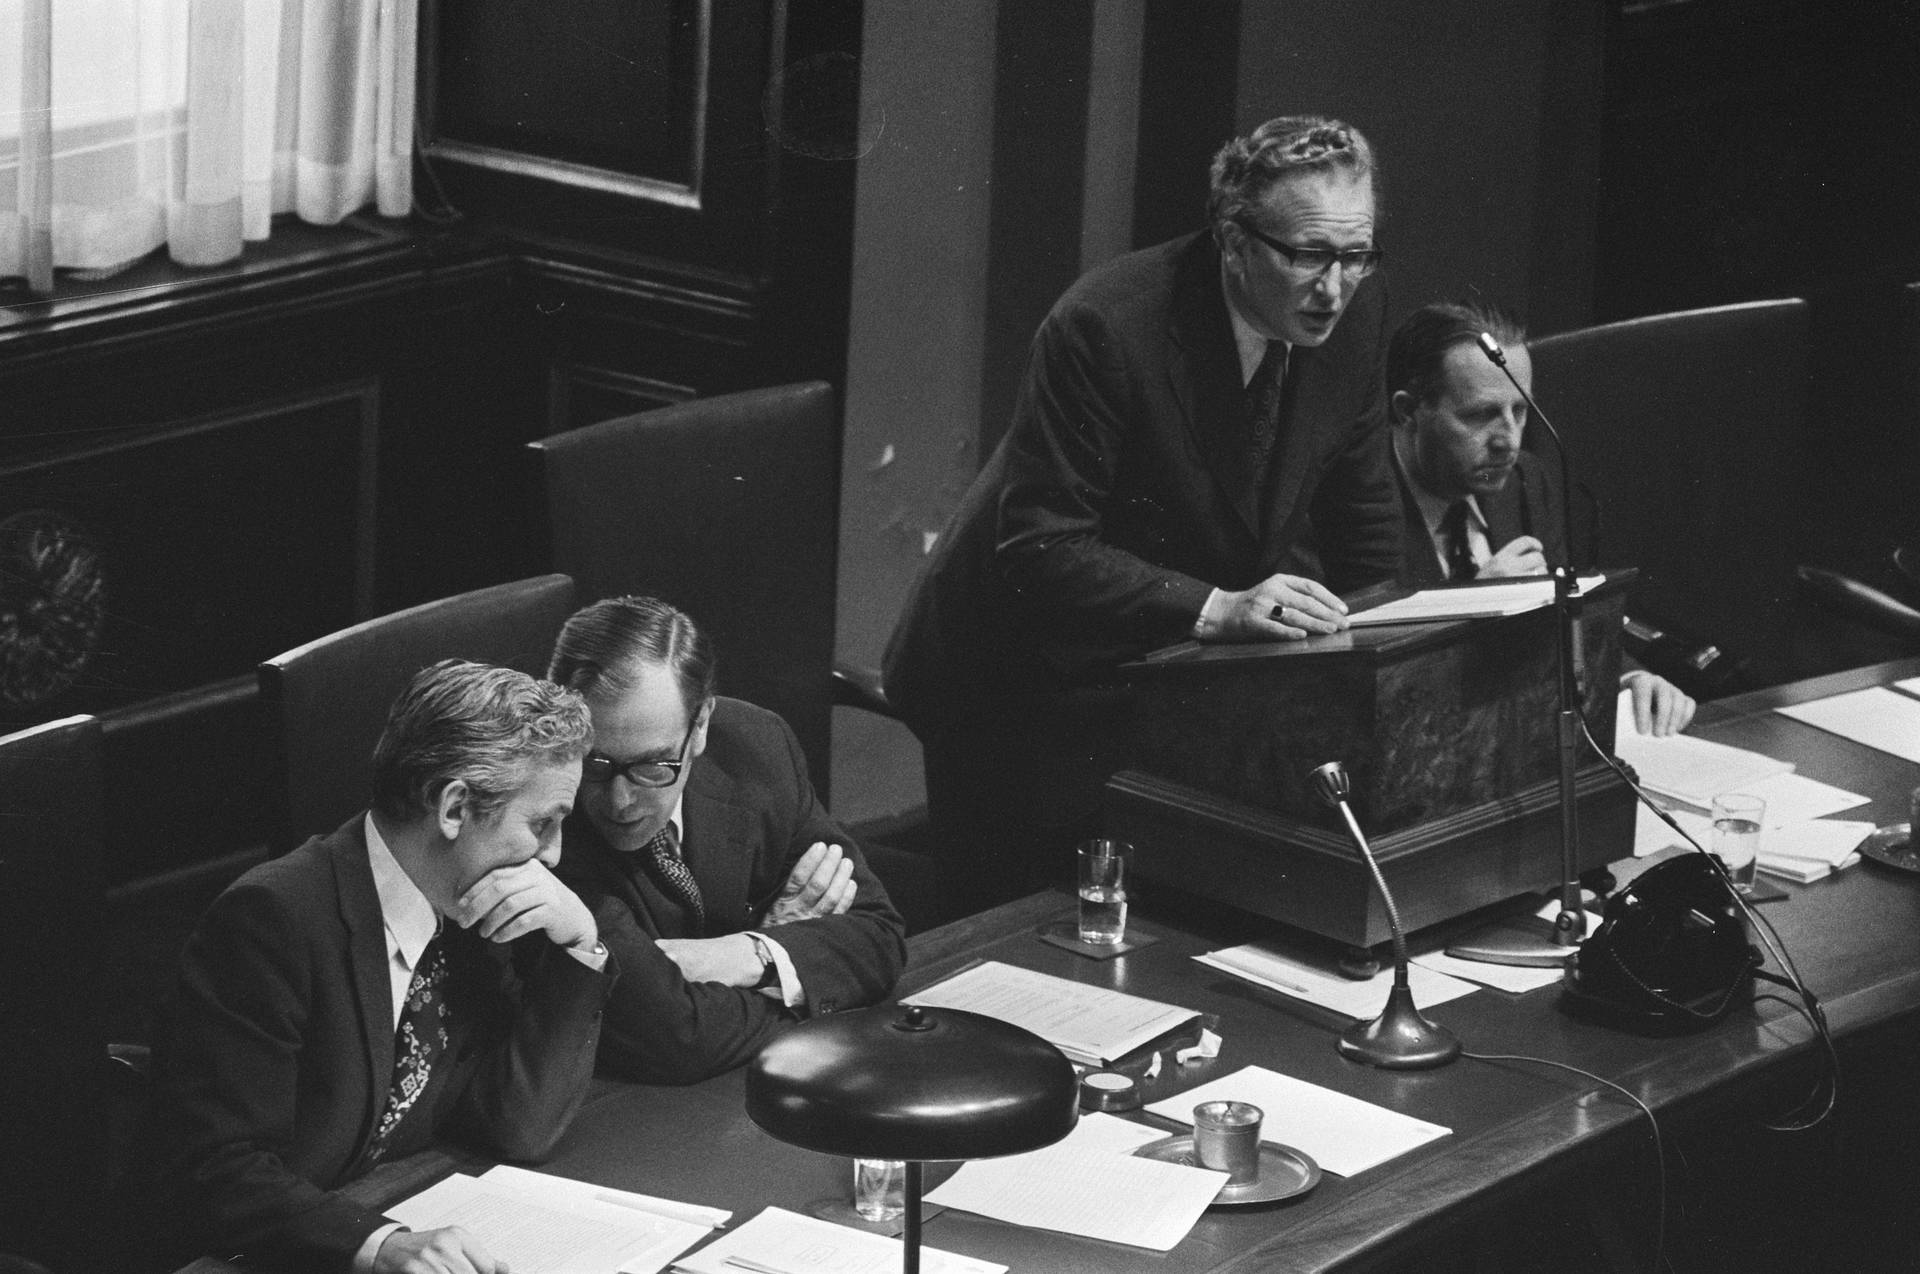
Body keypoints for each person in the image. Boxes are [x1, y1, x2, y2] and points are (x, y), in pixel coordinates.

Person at [884, 115, 1401, 909]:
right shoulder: (1107, 325)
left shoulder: (1354, 323)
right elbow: (1042, 548)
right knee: (1030, 946)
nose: (1334, 287)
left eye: (1355, 255)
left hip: (1160, 676)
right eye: (1307, 256)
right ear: (1233, 240)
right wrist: (1219, 606)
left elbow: (1367, 548)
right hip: (1013, 683)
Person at [141, 660, 614, 1273]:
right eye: (542, 823)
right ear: (453, 807)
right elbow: (220, 1167)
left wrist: (580, 945)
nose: (551, 856)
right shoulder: (272, 920)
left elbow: (518, 1125)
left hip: (389, 1197)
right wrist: (379, 1244)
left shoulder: (473, 909)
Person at [546, 595, 907, 1084]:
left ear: (701, 726)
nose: (620, 801)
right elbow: (675, 1037)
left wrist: (749, 953)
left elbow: (877, 934)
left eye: (654, 767)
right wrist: (789, 958)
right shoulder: (543, 815)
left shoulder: (757, 746)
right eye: (595, 763)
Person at [1386, 299, 1695, 736]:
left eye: (1521, 410)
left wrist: (1628, 677)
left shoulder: (1527, 481)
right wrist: (1469, 610)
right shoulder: (1351, 504)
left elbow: (1569, 622)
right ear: (1408, 411)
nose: (1508, 441)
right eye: (1479, 415)